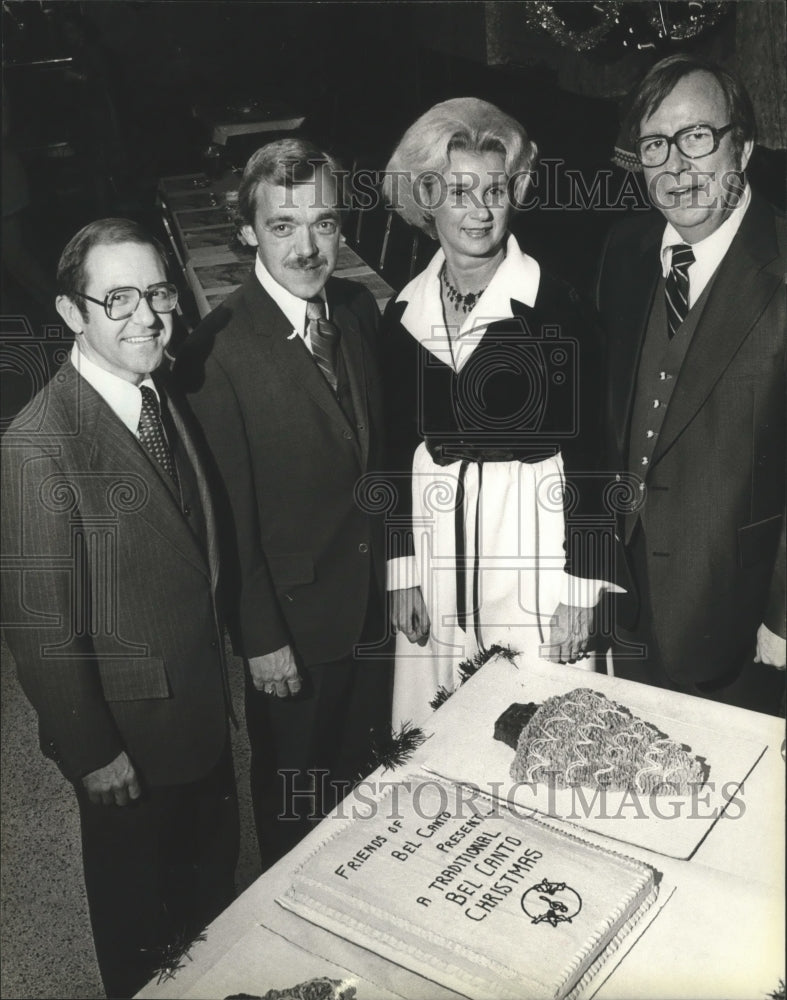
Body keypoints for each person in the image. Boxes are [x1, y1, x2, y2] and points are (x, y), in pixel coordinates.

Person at [0, 219, 239, 998]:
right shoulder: (38, 443)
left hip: (197, 713)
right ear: (73, 314)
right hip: (126, 745)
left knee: (212, 914)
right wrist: (92, 751)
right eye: (120, 299)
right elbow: (41, 627)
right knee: (143, 936)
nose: (147, 316)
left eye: (158, 293)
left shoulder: (154, 390)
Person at [174, 139, 391, 869]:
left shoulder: (355, 309)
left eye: (324, 224)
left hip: (369, 608)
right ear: (246, 232)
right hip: (291, 627)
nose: (307, 247)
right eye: (282, 226)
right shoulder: (217, 350)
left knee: (367, 787)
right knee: (296, 799)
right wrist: (259, 636)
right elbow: (226, 514)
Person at [381, 98, 615, 728]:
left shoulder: (556, 306)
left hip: (534, 544)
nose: (479, 210)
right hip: (435, 542)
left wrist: (582, 588)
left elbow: (595, 455)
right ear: (426, 196)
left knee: (543, 731)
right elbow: (390, 442)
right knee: (438, 731)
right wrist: (400, 567)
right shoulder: (403, 310)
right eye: (459, 190)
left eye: (495, 189)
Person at [597, 54, 785, 713]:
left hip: (740, 620)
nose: (675, 167)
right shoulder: (622, 250)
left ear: (744, 144)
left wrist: (783, 618)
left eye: (696, 137)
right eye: (654, 144)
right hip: (626, 594)